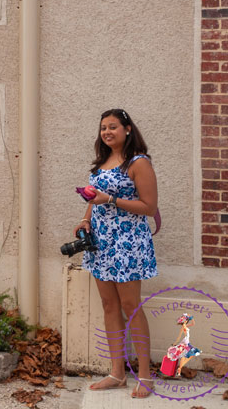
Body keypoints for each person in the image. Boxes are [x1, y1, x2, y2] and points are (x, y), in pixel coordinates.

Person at [74, 109, 158, 399]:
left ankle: (145, 376)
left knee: (131, 305)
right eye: (103, 128)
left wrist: (110, 198)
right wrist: (86, 219)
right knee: (109, 306)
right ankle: (117, 373)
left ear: (127, 129)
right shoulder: (101, 164)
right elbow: (93, 199)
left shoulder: (138, 162)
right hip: (102, 243)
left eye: (113, 127)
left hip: (128, 243)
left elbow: (148, 206)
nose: (107, 132)